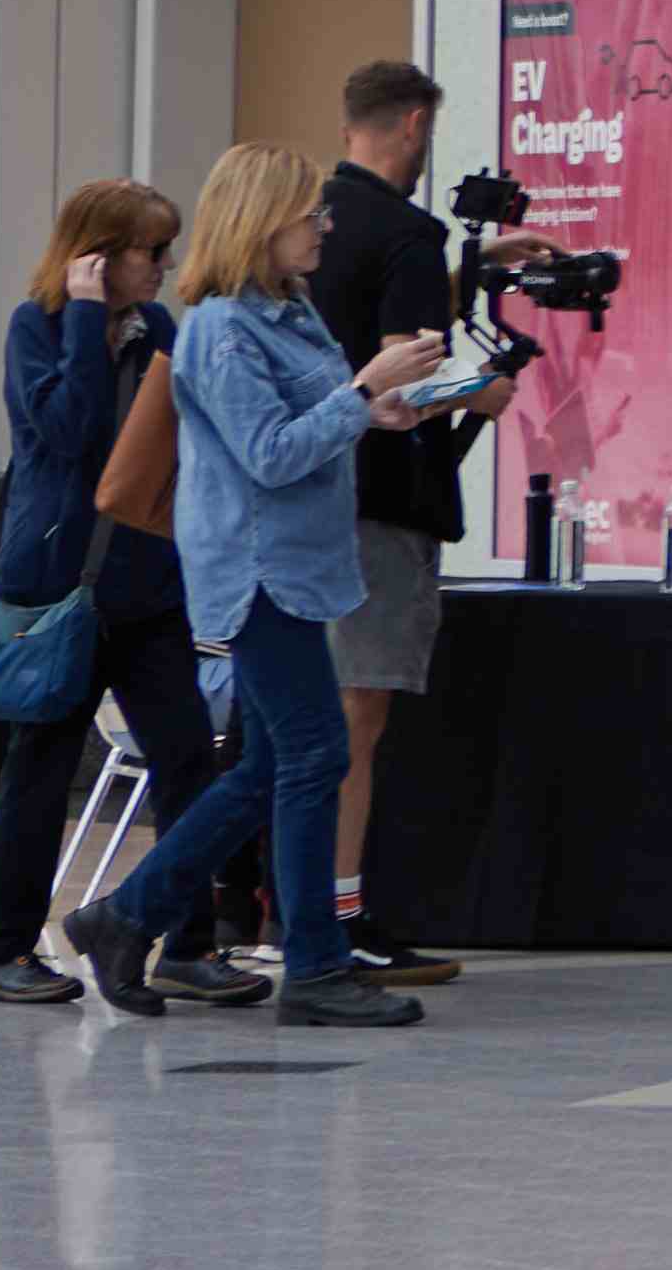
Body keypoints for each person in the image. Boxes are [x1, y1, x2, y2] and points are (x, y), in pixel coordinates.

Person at [75, 142, 456, 1031]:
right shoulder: (217, 328)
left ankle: (124, 915)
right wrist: (365, 391)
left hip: (302, 565)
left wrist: (381, 409)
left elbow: (315, 424)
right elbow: (272, 454)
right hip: (257, 568)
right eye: (307, 214)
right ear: (260, 222)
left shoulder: (291, 312)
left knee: (274, 762)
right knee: (314, 754)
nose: (323, 226)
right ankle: (314, 963)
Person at [0, 184, 223, 1010]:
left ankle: (187, 942)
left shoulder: (162, 333)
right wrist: (84, 319)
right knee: (39, 774)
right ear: (100, 255)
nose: (165, 267)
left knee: (188, 759)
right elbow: (67, 435)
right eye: (152, 251)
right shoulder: (34, 327)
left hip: (146, 587)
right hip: (58, 591)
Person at [307, 61, 503, 988]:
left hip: (296, 498)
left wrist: (472, 271)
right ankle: (339, 918)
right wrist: (489, 385)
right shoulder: (409, 233)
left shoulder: (308, 225)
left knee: (299, 719)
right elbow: (405, 369)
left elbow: (345, 332)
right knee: (358, 716)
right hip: (378, 499)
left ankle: (261, 906)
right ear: (417, 123)